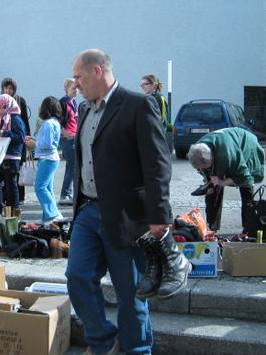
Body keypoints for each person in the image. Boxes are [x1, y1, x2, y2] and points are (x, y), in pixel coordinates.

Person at [65, 49, 190, 355]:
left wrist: (159, 216)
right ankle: (102, 343)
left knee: (130, 293)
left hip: (126, 217)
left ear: (97, 71)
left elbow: (158, 165)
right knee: (77, 275)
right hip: (88, 211)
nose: (75, 84)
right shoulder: (84, 110)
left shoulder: (138, 104)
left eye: (79, 77)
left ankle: (137, 349)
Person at [187, 127, 265, 233]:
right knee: (213, 189)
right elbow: (207, 172)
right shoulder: (197, 150)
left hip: (246, 143)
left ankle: (248, 228)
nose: (206, 170)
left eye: (207, 167)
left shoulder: (228, 155)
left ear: (212, 158)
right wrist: (209, 184)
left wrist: (222, 182)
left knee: (246, 190)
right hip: (225, 144)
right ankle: (212, 227)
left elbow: (244, 177)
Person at [24, 96, 64, 225]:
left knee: (40, 187)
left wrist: (33, 143)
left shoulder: (48, 124)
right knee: (47, 188)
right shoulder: (55, 122)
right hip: (52, 158)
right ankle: (49, 216)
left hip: (47, 159)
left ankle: (54, 214)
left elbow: (46, 144)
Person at [0, 94, 26, 216]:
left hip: (12, 156)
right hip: (1, 155)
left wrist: (4, 133)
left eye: (1, 107)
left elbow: (20, 137)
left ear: (8, 106)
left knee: (11, 185)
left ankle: (13, 212)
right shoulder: (2, 118)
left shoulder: (15, 119)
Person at [0, 78, 31, 203]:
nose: (8, 90)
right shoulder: (0, 100)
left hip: (15, 143)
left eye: (10, 88)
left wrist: (26, 138)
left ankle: (17, 201)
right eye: (6, 88)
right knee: (3, 178)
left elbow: (24, 123)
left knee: (16, 173)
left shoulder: (19, 102)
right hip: (4, 145)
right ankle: (7, 201)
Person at [58, 78, 78, 206]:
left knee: (71, 167)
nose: (76, 90)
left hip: (74, 137)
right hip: (67, 139)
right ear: (66, 89)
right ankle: (65, 195)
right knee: (73, 167)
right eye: (73, 88)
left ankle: (67, 194)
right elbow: (58, 120)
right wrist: (66, 134)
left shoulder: (73, 102)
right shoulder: (63, 102)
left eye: (77, 88)